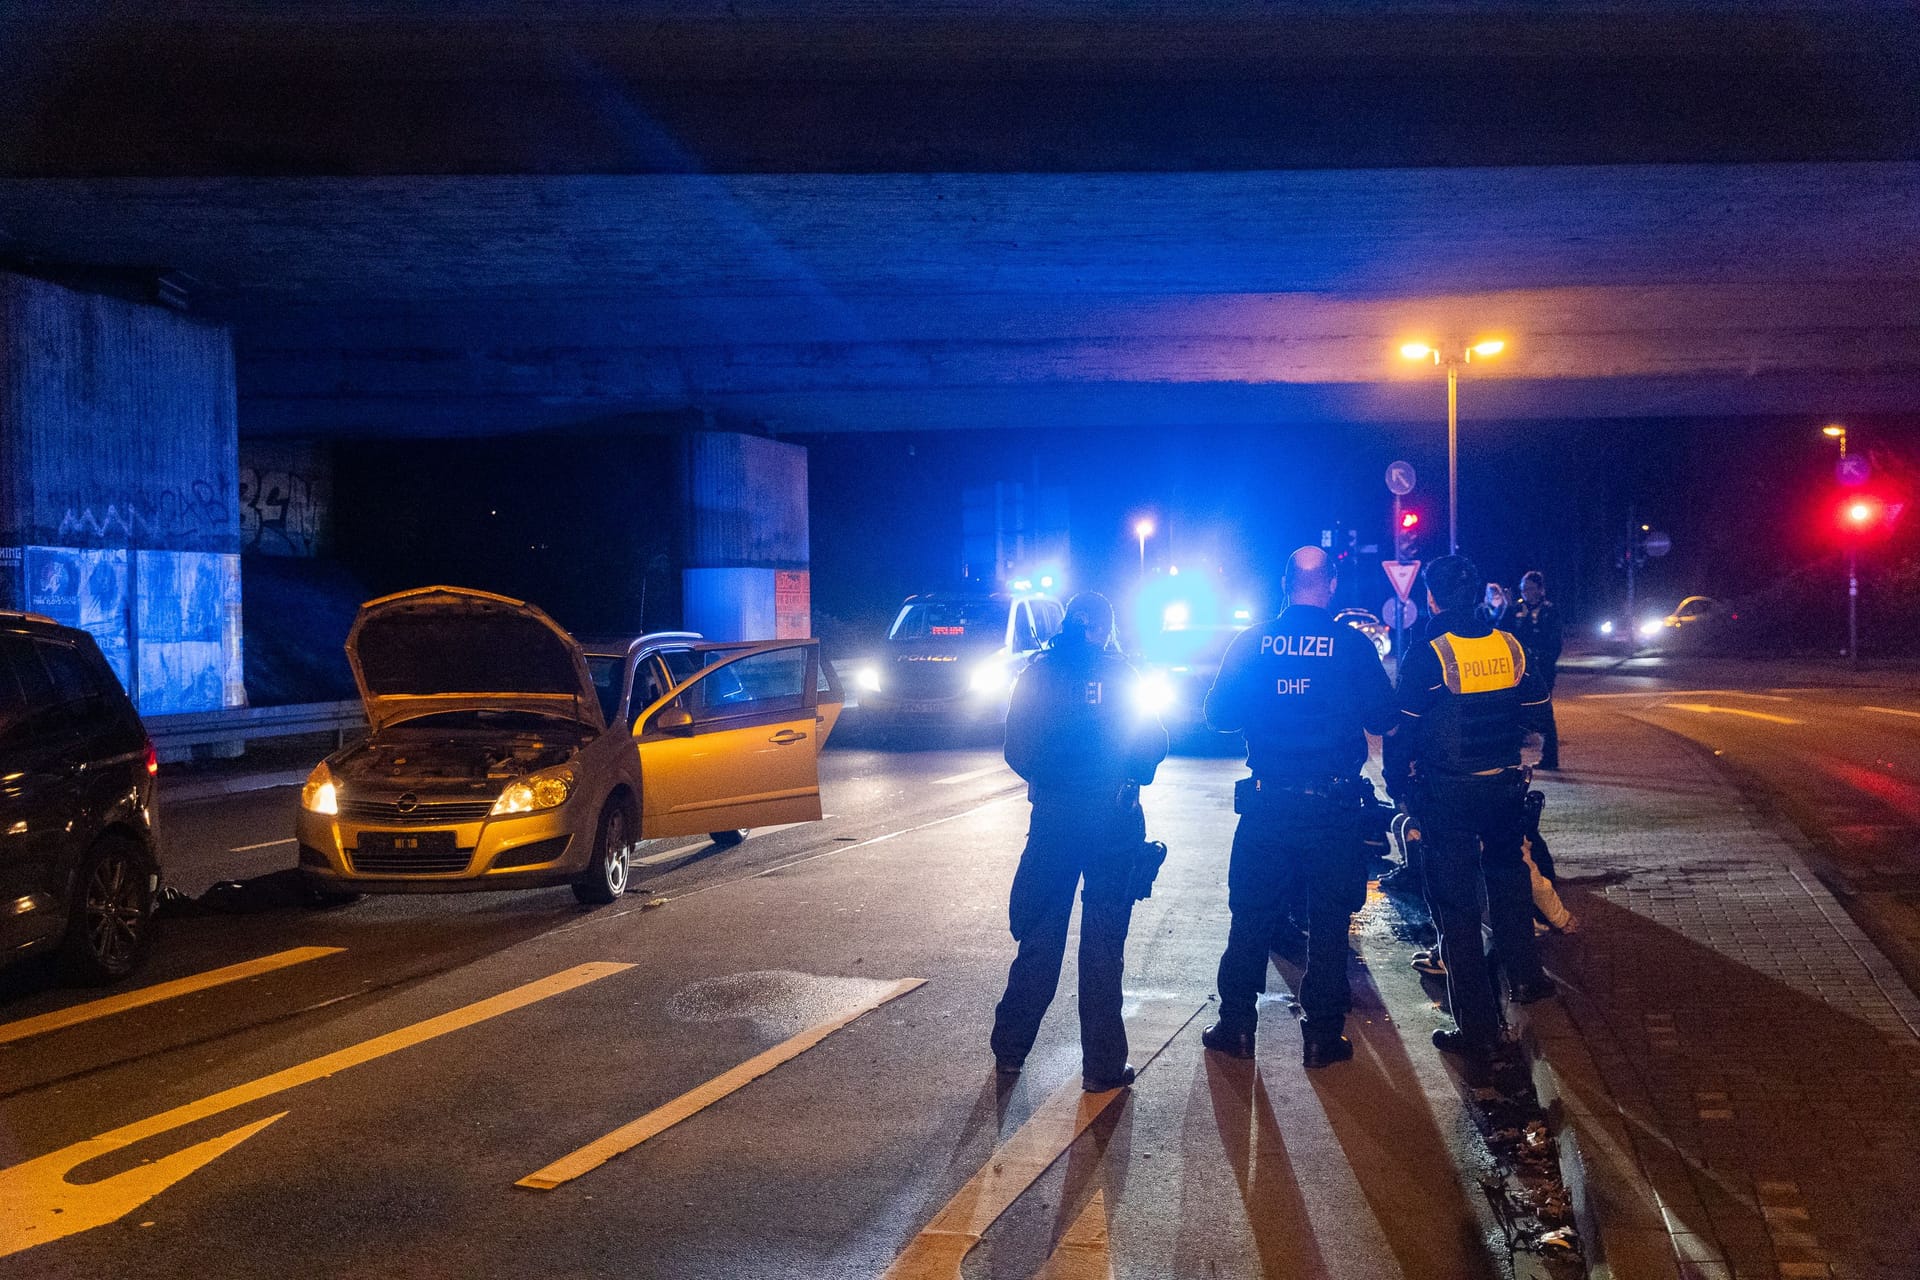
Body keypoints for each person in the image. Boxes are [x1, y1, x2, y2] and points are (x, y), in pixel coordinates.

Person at [1200, 547, 1397, 1068]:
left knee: (1251, 917)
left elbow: (1217, 714)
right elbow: (1383, 717)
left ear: (1285, 583)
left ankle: (1237, 1026)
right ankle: (1322, 1036)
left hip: (1268, 806)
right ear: (1329, 584)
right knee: (1329, 921)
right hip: (1333, 809)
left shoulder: (1251, 643)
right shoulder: (1352, 646)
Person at [991, 591, 1168, 1093]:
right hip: (1114, 820)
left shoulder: (1038, 674)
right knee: (1103, 947)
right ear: (1102, 629)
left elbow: (1016, 748)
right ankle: (1103, 1067)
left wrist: (1054, 785)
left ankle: (1009, 1050)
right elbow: (1153, 742)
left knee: (1041, 939)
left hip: (1055, 823)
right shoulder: (1123, 675)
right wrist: (1124, 770)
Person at [1395, 555, 1557, 1080]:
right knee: (1509, 880)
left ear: (1433, 598)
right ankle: (1528, 978)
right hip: (1505, 785)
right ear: (1478, 597)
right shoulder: (1509, 644)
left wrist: (1402, 792)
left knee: (1457, 905)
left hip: (1450, 794)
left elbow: (1403, 732)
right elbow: (1537, 702)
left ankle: (1478, 1031)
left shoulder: (1429, 654)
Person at [1507, 570, 1564, 769]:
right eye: (1523, 589)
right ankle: (1510, 756)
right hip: (1519, 669)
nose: (1526, 593)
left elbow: (1555, 642)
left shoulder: (1550, 611)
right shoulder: (1516, 610)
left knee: (1544, 712)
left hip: (1542, 669)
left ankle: (1550, 757)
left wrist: (1544, 660)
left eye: (1530, 589)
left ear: (1540, 590)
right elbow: (1503, 631)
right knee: (1514, 711)